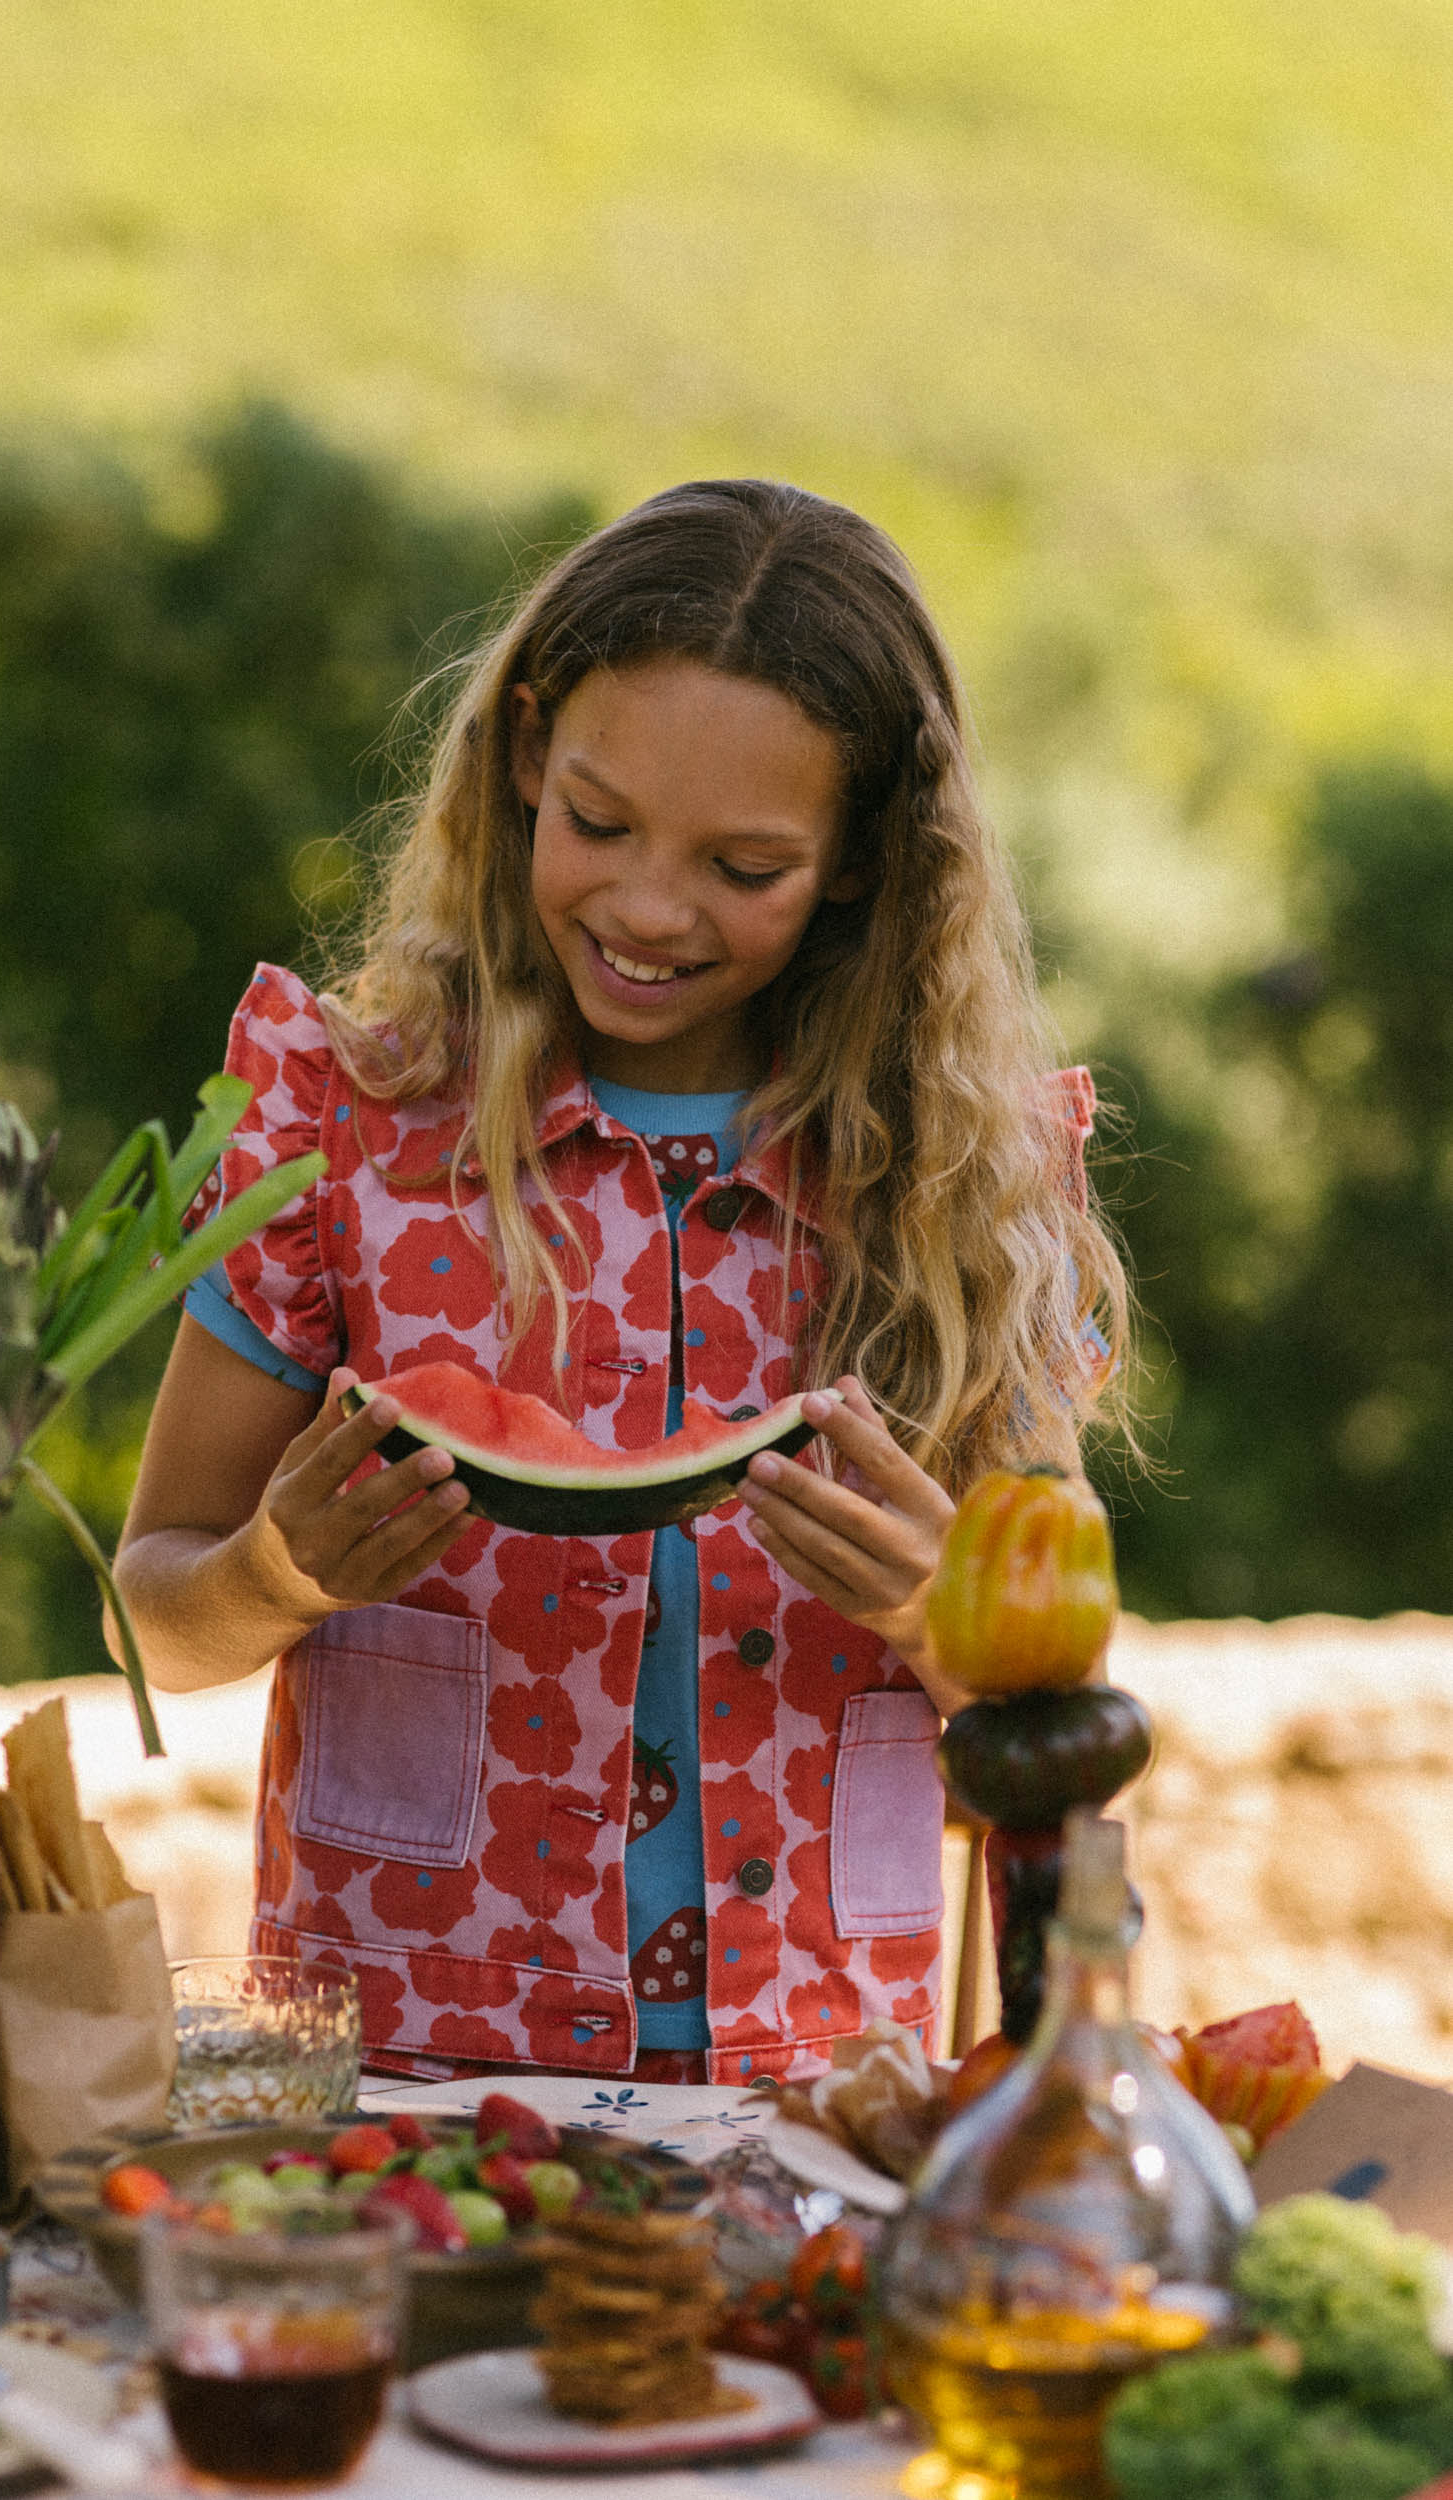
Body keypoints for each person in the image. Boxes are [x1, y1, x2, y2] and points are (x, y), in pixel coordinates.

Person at [111, 478, 1128, 2088]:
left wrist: (946, 1620)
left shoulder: (967, 1178)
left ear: (866, 857)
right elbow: (153, 1613)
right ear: (525, 754)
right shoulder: (341, 1121)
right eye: (599, 824)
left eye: (746, 866)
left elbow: (1070, 1707)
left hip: (816, 2079)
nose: (651, 910)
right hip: (415, 2075)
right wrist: (278, 1573)